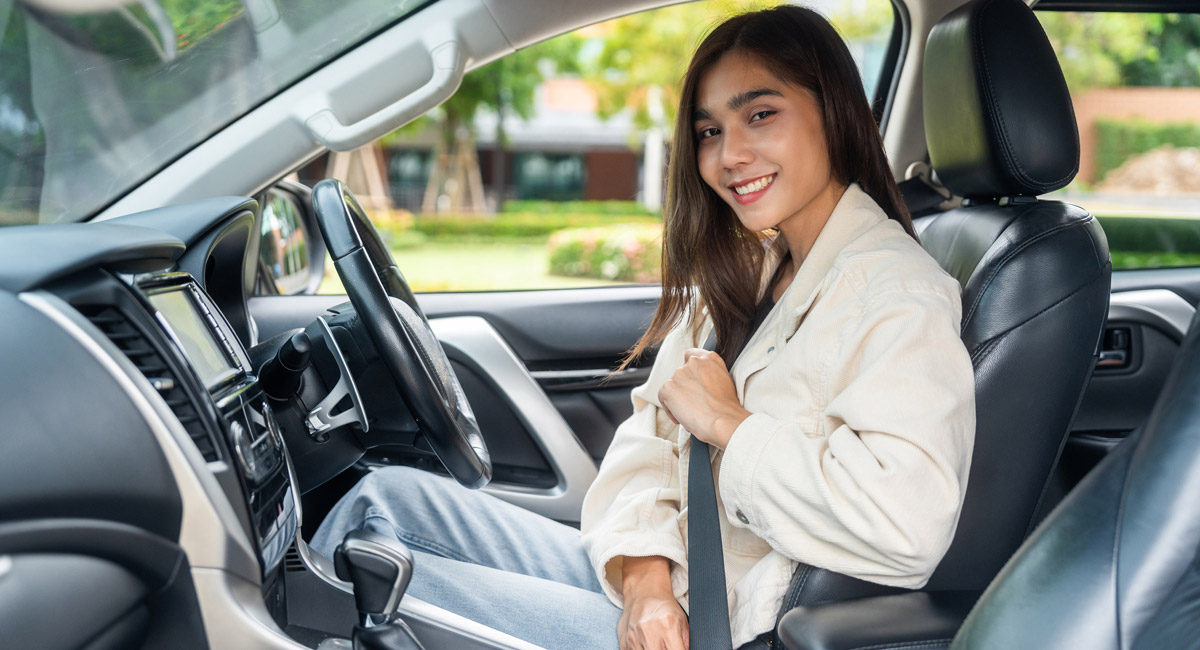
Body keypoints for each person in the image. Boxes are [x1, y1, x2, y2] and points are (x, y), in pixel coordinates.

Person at [311, 6, 975, 650]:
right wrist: (646, 582)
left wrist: (728, 425)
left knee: (349, 586)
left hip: (723, 627)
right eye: (709, 131)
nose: (729, 155)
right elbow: (646, 442)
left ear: (834, 114)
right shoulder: (755, 274)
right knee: (385, 500)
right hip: (660, 591)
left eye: (760, 115)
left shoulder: (898, 292)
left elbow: (901, 526)